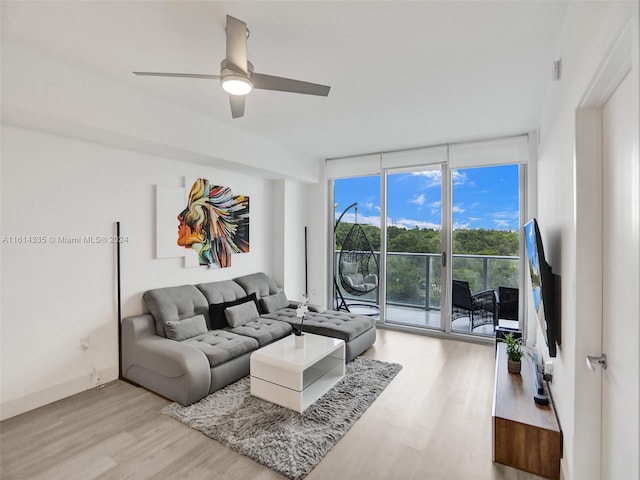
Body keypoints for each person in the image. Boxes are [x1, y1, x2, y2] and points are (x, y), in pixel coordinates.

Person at [177, 178, 249, 267]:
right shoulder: (205, 253)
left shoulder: (208, 252)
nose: (179, 216)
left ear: (199, 227)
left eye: (183, 223)